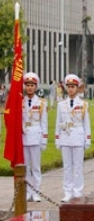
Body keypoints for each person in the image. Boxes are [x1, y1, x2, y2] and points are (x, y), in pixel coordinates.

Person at [55, 74, 91, 202]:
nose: (70, 89)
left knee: (78, 166)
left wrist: (87, 138)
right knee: (67, 167)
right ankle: (67, 191)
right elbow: (58, 123)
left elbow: (86, 123)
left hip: (78, 136)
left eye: (73, 87)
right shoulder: (61, 105)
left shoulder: (83, 105)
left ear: (77, 88)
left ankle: (78, 191)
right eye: (69, 87)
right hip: (65, 136)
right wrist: (57, 138)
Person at [22, 72, 48, 202]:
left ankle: (36, 192)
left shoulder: (42, 103)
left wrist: (44, 139)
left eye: (32, 85)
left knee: (36, 167)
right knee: (26, 167)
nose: (30, 87)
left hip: (36, 135)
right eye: (28, 85)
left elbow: (44, 122)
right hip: (24, 136)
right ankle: (28, 192)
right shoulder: (21, 102)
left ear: (36, 86)